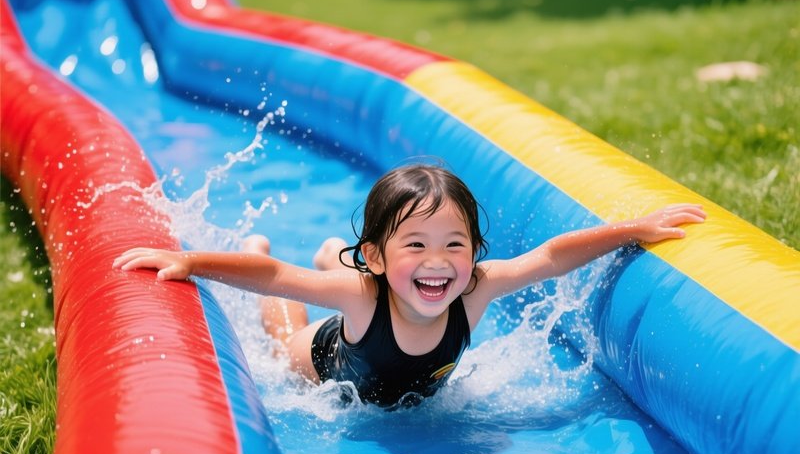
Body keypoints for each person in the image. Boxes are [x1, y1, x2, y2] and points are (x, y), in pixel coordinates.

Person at [114, 163, 705, 407]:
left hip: (366, 297)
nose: (439, 262)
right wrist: (191, 261)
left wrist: (633, 229)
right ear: (376, 257)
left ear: (474, 252)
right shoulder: (363, 295)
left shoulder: (475, 288)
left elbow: (550, 256)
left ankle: (332, 256)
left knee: (331, 280)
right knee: (281, 331)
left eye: (454, 245)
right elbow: (275, 278)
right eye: (416, 246)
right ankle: (295, 248)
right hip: (322, 359)